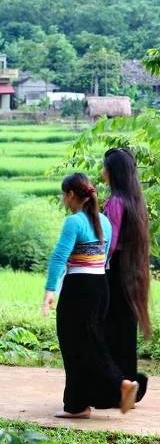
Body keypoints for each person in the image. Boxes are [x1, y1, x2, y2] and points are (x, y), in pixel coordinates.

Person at [42, 173, 138, 418]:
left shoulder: (74, 222)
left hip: (79, 287)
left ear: (71, 195)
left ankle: (119, 384)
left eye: (64, 195)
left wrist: (49, 291)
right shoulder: (104, 222)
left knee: (76, 344)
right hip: (100, 285)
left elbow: (59, 257)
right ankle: (77, 404)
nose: (64, 199)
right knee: (88, 341)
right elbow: (105, 256)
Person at [102, 147, 152, 403]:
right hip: (132, 272)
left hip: (115, 272)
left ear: (113, 172)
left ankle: (116, 389)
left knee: (108, 331)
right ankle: (130, 382)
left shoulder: (115, 202)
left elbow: (109, 242)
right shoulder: (136, 201)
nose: (102, 172)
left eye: (105, 168)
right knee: (125, 331)